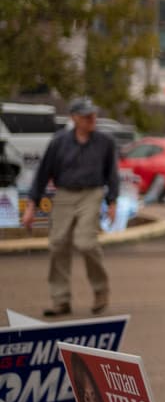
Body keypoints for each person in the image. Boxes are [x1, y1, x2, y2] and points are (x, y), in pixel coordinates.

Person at [21, 97, 117, 317]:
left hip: (92, 193)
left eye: (93, 114)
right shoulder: (59, 141)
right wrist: (31, 207)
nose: (91, 118)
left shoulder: (105, 142)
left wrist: (112, 201)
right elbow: (42, 174)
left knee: (86, 242)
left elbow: (112, 173)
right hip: (64, 193)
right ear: (74, 118)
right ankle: (60, 300)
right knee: (57, 244)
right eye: (86, 115)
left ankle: (101, 291)